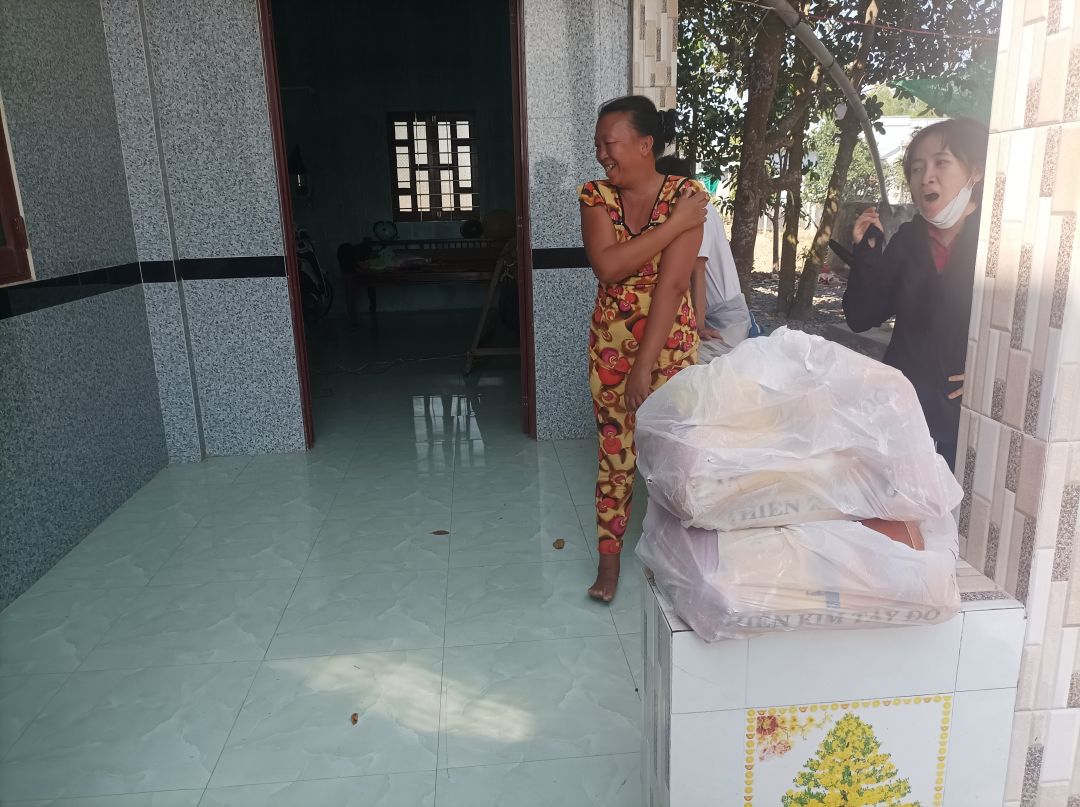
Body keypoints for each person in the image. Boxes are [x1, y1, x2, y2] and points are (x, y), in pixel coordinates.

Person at [578, 95, 709, 602]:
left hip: (669, 352)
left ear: (644, 144)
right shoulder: (596, 196)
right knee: (615, 457)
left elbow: (673, 286)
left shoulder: (686, 193)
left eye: (609, 143)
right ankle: (609, 567)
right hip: (610, 351)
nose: (601, 154)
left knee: (675, 460)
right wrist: (673, 225)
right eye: (597, 144)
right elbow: (607, 266)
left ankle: (679, 562)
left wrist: (645, 367)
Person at [843, 118, 989, 471]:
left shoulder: (997, 242)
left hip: (966, 420)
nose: (926, 178)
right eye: (917, 168)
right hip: (903, 414)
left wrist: (990, 373)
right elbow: (861, 316)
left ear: (975, 171)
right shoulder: (909, 241)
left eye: (941, 163)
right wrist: (867, 252)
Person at [655, 155, 751, 360]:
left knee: (686, 369)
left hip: (724, 319)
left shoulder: (699, 211)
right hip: (709, 313)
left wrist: (698, 328)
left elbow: (697, 271)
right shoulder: (688, 212)